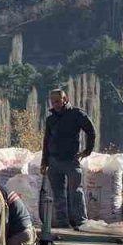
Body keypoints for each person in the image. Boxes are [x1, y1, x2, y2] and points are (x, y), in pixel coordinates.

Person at [40, 88, 96, 229]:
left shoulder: (76, 114)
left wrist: (87, 151)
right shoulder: (50, 119)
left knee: (75, 192)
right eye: (52, 101)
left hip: (71, 160)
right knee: (58, 195)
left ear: (65, 99)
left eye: (57, 101)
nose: (55, 104)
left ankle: (80, 222)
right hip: (54, 161)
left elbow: (91, 131)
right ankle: (63, 224)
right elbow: (46, 141)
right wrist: (44, 162)